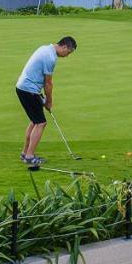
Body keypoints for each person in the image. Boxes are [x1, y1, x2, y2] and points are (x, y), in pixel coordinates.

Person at [15, 36, 78, 166]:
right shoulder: (50, 58)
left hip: (24, 88)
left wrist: (41, 97)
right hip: (28, 89)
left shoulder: (45, 48)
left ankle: (25, 153)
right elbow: (48, 83)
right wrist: (49, 101)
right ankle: (29, 157)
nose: (67, 55)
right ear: (64, 46)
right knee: (41, 123)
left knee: (35, 121)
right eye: (68, 52)